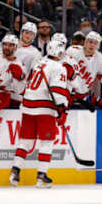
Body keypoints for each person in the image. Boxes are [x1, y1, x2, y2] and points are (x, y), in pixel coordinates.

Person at [10, 40, 68, 188]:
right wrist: (62, 109)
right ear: (58, 52)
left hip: (28, 105)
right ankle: (41, 176)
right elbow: (57, 92)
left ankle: (15, 171)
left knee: (25, 141)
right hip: (44, 108)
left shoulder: (39, 63)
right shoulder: (59, 67)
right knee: (46, 142)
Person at [65, 31, 102, 104]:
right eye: (90, 42)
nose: (92, 45)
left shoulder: (100, 59)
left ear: (98, 46)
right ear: (85, 42)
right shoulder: (73, 51)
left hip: (83, 97)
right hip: (67, 93)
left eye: (95, 43)